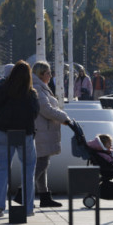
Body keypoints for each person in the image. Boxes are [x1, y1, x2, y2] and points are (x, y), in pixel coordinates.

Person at [0, 60, 39, 218]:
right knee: (28, 169)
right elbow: (34, 114)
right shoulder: (31, 93)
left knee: (2, 167)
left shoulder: (1, 89)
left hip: (4, 131)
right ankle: (28, 207)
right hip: (25, 134)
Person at [32, 61, 71, 208]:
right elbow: (46, 109)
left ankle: (44, 196)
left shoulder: (41, 86)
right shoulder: (37, 87)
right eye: (48, 73)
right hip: (42, 129)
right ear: (41, 74)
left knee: (43, 163)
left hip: (44, 129)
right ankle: (23, 192)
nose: (50, 75)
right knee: (41, 163)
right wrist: (64, 118)